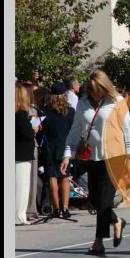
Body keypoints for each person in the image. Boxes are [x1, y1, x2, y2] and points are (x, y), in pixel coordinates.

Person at [61, 70, 130, 255]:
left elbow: (127, 128)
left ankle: (98, 242)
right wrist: (67, 154)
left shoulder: (117, 101)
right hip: (92, 155)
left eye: (96, 89)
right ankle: (117, 221)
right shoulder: (83, 103)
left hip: (115, 155)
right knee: (94, 200)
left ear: (104, 87)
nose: (93, 93)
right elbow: (75, 129)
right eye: (90, 89)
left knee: (104, 199)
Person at [42, 82, 76, 218]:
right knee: (65, 176)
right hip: (65, 147)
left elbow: (43, 130)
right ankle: (65, 208)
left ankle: (56, 208)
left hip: (50, 147)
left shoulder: (45, 111)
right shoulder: (70, 111)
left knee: (52, 177)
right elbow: (73, 130)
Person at [16, 83, 37, 225]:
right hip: (22, 154)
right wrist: (33, 130)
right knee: (22, 186)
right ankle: (19, 216)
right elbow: (26, 134)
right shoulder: (21, 113)